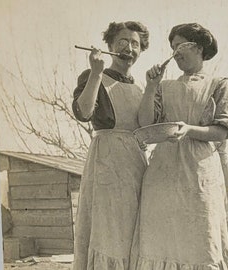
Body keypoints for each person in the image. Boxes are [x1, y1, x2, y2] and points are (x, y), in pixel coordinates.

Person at [130, 23, 228, 270]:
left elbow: (221, 131)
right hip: (162, 172)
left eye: (180, 45)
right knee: (161, 240)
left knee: (201, 238)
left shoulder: (219, 84)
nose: (175, 52)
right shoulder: (164, 87)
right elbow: (146, 122)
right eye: (172, 47)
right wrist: (150, 86)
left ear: (198, 47)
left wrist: (189, 130)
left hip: (198, 170)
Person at [72, 21, 149, 270]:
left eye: (135, 43)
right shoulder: (95, 77)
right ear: (110, 46)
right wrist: (95, 72)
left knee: (133, 230)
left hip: (137, 164)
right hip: (107, 162)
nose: (129, 48)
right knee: (110, 232)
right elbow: (83, 112)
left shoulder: (140, 88)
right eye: (123, 42)